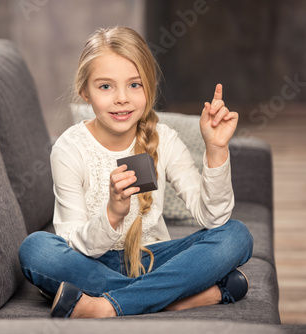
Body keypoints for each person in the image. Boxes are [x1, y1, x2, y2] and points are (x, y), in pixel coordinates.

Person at [18, 26, 253, 318]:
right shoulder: (69, 148)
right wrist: (113, 214)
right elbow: (71, 242)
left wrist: (216, 150)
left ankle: (106, 305)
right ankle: (170, 298)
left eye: (134, 85)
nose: (122, 98)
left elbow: (213, 217)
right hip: (92, 263)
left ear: (149, 88)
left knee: (236, 235)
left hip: (154, 258)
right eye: (105, 86)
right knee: (36, 249)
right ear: (85, 92)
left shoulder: (164, 139)